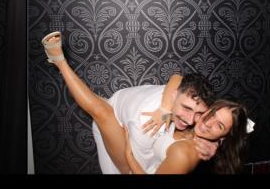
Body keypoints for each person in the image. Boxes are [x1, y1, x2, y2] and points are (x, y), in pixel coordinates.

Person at [41, 31, 252, 174]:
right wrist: (165, 108)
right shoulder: (191, 114)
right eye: (211, 116)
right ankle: (60, 61)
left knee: (103, 114)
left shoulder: (186, 148)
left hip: (132, 167)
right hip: (129, 130)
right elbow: (177, 77)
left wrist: (129, 156)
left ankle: (60, 61)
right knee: (102, 108)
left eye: (219, 126)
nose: (198, 121)